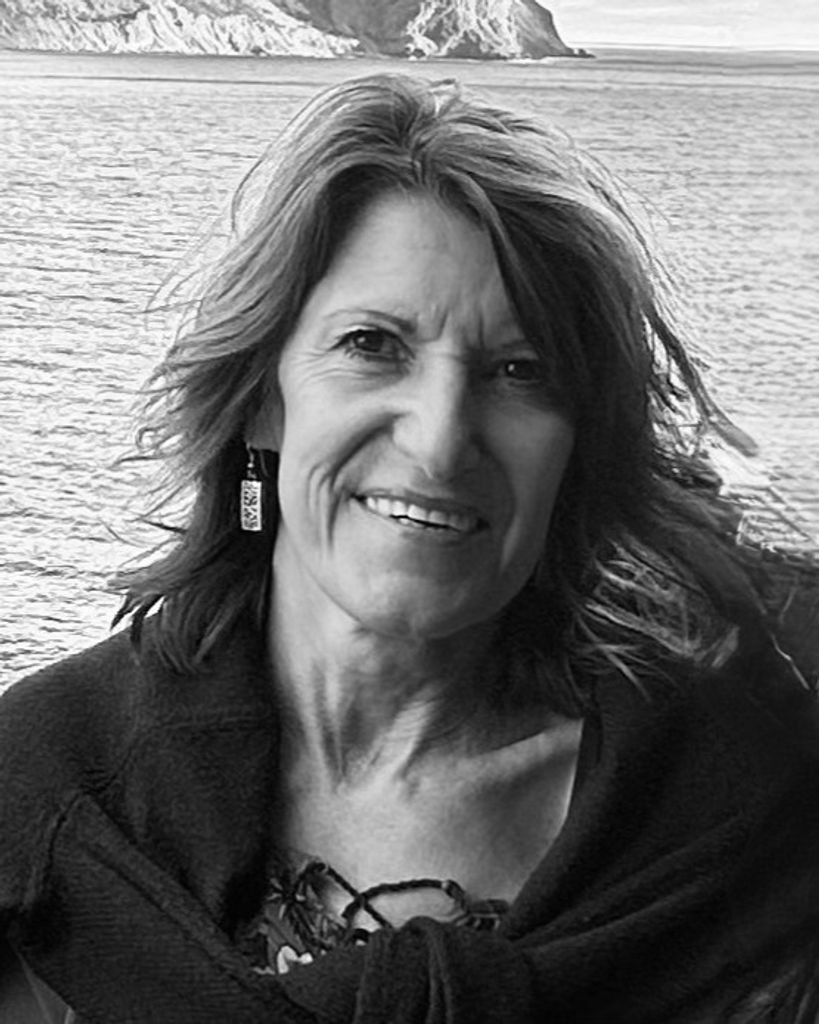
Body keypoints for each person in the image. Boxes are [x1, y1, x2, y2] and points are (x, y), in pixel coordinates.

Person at [1, 72, 818, 1024]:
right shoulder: (50, 802)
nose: (438, 441)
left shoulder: (738, 824)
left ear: (576, 448)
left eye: (519, 370)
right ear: (261, 399)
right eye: (372, 344)